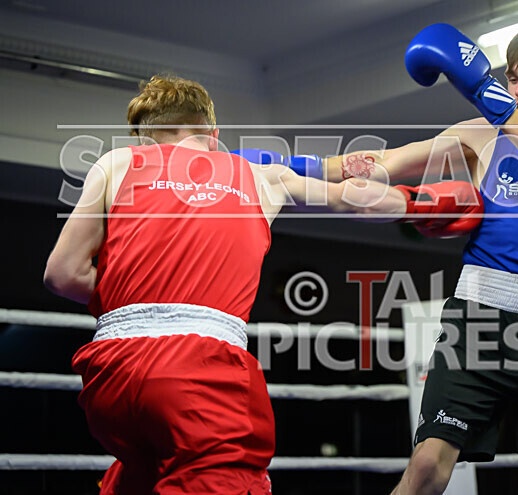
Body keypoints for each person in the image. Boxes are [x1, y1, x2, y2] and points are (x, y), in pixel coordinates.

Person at [245, 22, 518, 495]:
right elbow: (384, 164)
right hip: (477, 321)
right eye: (512, 78)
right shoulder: (481, 135)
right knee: (428, 468)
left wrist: (482, 89)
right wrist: (274, 164)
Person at [43, 75, 482, 494]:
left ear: (143, 137)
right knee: (226, 478)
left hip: (108, 377)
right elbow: (356, 200)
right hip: (198, 371)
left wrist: (135, 298)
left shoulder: (116, 163)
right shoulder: (257, 175)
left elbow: (62, 275)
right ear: (212, 132)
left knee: (139, 472)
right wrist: (424, 201)